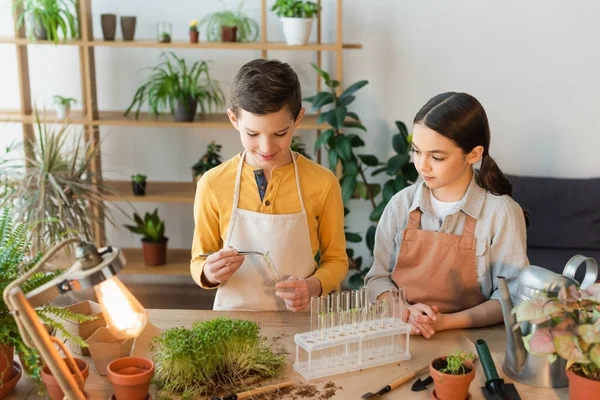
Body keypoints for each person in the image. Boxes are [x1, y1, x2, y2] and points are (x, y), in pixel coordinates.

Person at [365, 92, 529, 338]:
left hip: (475, 342)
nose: (422, 165)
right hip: (400, 336)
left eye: (437, 157)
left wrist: (444, 322)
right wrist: (404, 311)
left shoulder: (502, 213)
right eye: (417, 151)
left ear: (473, 155)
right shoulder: (400, 204)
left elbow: (509, 298)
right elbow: (377, 278)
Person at [190, 59, 348, 311]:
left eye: (280, 133)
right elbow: (199, 260)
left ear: (298, 119)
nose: (266, 147)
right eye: (252, 134)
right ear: (234, 119)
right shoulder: (212, 183)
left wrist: (312, 286)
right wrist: (209, 272)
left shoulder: (323, 183)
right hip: (232, 326)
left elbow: (336, 260)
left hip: (301, 326)